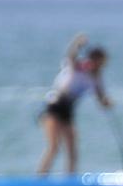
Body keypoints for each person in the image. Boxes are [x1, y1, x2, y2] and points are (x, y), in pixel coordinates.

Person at [35, 33, 112, 175]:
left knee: (72, 150)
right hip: (54, 106)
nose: (102, 65)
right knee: (54, 147)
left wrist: (107, 103)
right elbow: (71, 55)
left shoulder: (96, 78)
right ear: (94, 60)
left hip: (68, 110)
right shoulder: (79, 67)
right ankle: (40, 179)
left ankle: (70, 181)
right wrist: (77, 43)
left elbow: (101, 99)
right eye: (100, 62)